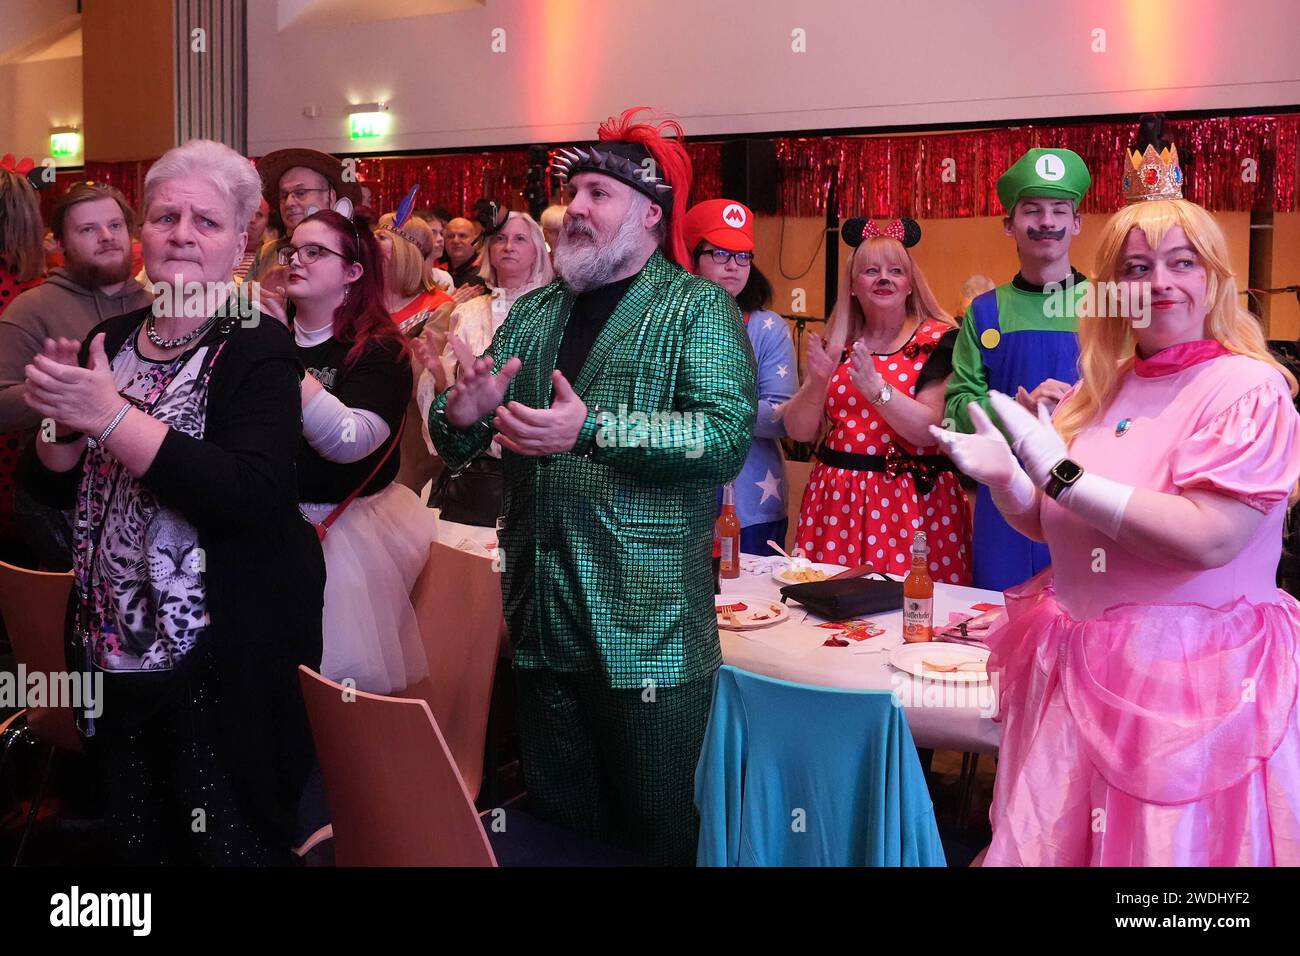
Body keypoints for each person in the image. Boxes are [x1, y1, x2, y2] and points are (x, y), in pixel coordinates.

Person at [931, 139, 1300, 866]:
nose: (1159, 282)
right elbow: (1054, 524)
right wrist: (1010, 480)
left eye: (1181, 262)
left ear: (1213, 279)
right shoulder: (1106, 386)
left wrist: (1062, 474)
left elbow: (1208, 538)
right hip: (1082, 686)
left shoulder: (1247, 389)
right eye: (1136, 267)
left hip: (1195, 701)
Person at [429, 107, 756, 865]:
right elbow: (462, 439)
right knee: (560, 834)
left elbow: (723, 437)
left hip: (647, 637)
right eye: (573, 192)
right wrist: (462, 412)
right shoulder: (535, 311)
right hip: (542, 623)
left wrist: (593, 430)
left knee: (660, 836)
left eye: (597, 193)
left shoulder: (695, 308)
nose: (575, 207)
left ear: (649, 213)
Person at [21, 138, 324, 865]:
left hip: (221, 659)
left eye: (206, 222)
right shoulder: (111, 336)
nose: (181, 234)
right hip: (111, 647)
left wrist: (109, 418)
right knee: (134, 841)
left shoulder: (258, 346)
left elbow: (248, 494)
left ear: (240, 243)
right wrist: (61, 417)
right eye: (165, 217)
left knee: (223, 843)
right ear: (141, 236)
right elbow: (59, 486)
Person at [277, 209, 435, 696]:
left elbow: (350, 442)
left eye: (315, 252)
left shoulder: (378, 349)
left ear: (353, 272)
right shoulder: (268, 333)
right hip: (265, 527)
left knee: (326, 694)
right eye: (293, 251)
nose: (297, 261)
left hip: (340, 535)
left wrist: (275, 358)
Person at [785, 218, 971, 582]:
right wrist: (816, 383)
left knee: (907, 616)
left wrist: (877, 390)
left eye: (895, 271)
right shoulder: (836, 341)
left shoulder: (940, 340)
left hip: (911, 506)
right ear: (853, 286)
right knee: (831, 621)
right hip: (837, 504)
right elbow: (800, 431)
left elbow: (928, 430)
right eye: (871, 270)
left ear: (909, 284)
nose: (884, 278)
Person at [944, 148, 1092, 591]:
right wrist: (1014, 418)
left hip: (1086, 492)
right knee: (993, 622)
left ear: (1077, 223)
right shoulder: (983, 312)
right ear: (1009, 224)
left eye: (1059, 210)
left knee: (1084, 623)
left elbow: (1137, 400)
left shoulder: (1109, 306)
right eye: (1032, 210)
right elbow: (955, 406)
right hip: (1004, 497)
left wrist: (1074, 406)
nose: (1047, 222)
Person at [1, 180, 153, 567]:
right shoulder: (32, 307)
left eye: (115, 226)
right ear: (61, 243)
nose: (106, 237)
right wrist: (58, 393)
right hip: (59, 503)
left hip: (142, 499)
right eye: (88, 230)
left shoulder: (157, 306)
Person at [413, 211, 553, 525]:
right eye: (500, 239)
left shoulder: (556, 313)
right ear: (489, 249)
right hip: (479, 476)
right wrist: (437, 371)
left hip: (541, 474)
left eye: (520, 239)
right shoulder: (468, 312)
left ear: (536, 251)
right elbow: (448, 405)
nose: (508, 246)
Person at [684, 198, 795, 554]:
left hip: (750, 501)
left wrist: (705, 411)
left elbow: (780, 417)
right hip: (678, 500)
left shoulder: (766, 327)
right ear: (691, 257)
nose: (733, 266)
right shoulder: (665, 324)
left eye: (743, 255)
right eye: (719, 253)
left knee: (754, 607)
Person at [250, 147, 363, 285]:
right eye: (284, 195)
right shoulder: (267, 253)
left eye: (301, 192)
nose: (289, 203)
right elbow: (242, 304)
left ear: (330, 196)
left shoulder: (355, 250)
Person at [373, 211, 453, 336]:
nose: (372, 240)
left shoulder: (439, 306)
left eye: (382, 237)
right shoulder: (363, 300)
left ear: (405, 251)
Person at [444, 215, 486, 292]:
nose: (455, 241)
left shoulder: (486, 274)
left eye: (462, 236)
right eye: (450, 236)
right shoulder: (439, 273)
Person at [233, 197, 270, 283]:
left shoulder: (270, 257)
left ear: (267, 222)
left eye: (259, 214)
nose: (252, 220)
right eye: (248, 213)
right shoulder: (220, 250)